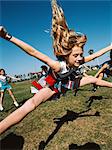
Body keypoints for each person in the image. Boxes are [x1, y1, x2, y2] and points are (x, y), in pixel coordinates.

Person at [0, 0, 112, 134]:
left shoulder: (79, 61)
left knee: (94, 80)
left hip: (68, 83)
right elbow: (33, 52)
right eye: (76, 55)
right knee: (31, 105)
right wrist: (7, 36)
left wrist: (110, 47)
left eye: (81, 55)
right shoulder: (58, 66)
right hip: (52, 87)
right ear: (66, 55)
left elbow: (94, 56)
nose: (80, 58)